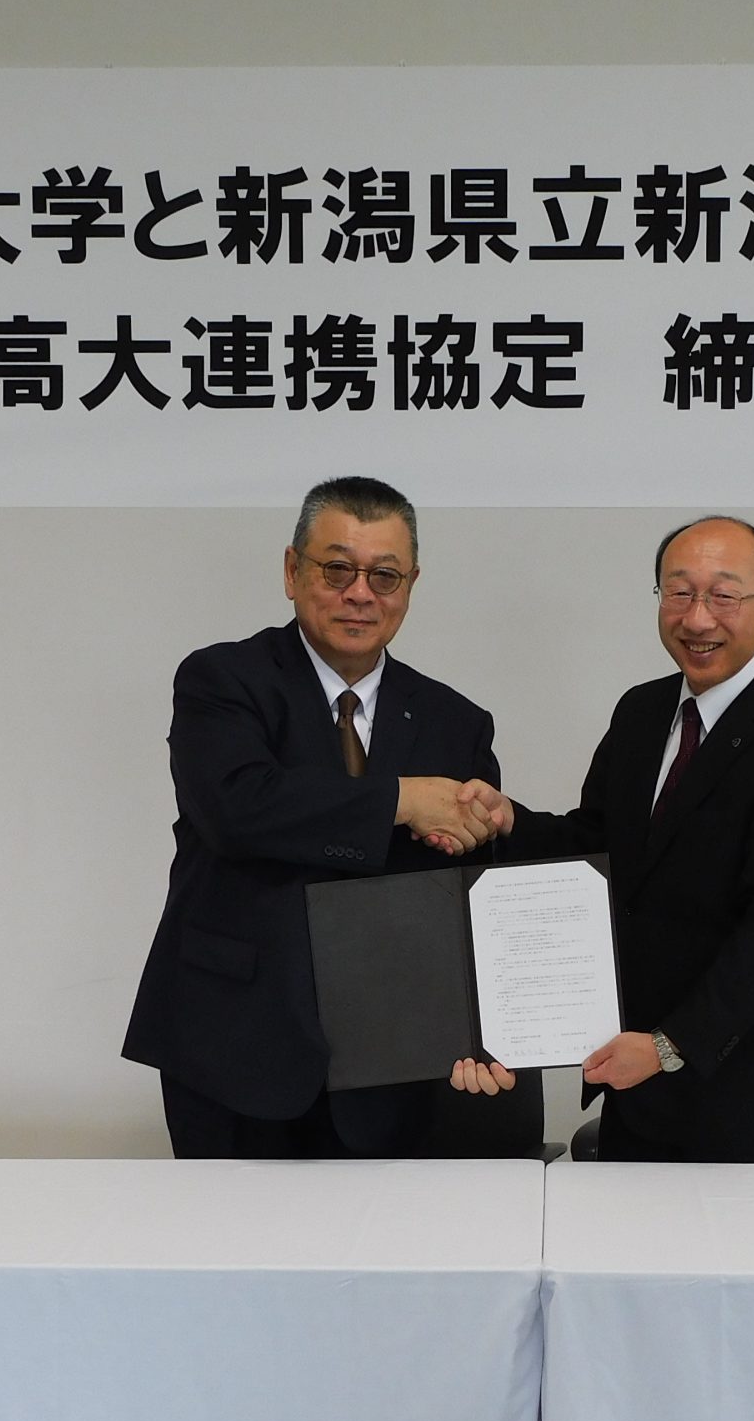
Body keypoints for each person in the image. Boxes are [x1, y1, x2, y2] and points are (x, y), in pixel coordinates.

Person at [125, 477, 506, 1158]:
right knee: (224, 1227)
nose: (361, 593)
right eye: (337, 569)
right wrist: (402, 801)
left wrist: (494, 1030)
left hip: (395, 1061)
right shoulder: (223, 680)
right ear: (291, 571)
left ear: (411, 585)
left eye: (384, 576)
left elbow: (470, 896)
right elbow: (238, 809)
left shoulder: (457, 722)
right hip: (232, 1044)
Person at [450, 515, 754, 1164]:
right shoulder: (641, 710)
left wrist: (669, 1046)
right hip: (632, 1080)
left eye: (724, 595)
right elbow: (597, 845)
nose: (697, 618)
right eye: (679, 592)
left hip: (741, 1091)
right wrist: (507, 820)